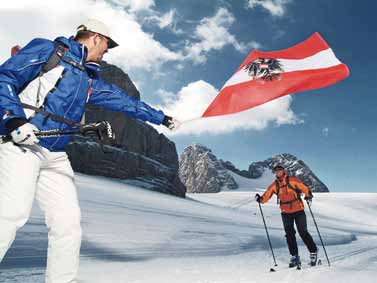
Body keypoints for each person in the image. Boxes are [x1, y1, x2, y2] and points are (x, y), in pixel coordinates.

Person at [0, 19, 178, 283]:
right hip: (22, 143)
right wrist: (13, 119)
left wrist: (162, 118)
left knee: (67, 225)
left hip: (56, 155)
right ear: (95, 37)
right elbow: (5, 77)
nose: (107, 51)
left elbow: (124, 101)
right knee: (12, 213)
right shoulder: (49, 51)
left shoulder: (88, 78)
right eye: (107, 45)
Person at [255, 165, 318, 268]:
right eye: (276, 171)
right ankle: (294, 256)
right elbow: (267, 195)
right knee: (289, 234)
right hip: (285, 212)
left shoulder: (292, 180)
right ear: (275, 173)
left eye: (280, 170)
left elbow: (304, 187)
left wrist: (308, 194)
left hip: (299, 210)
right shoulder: (274, 185)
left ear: (283, 171)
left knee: (303, 232)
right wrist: (260, 199)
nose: (278, 172)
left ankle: (313, 251)